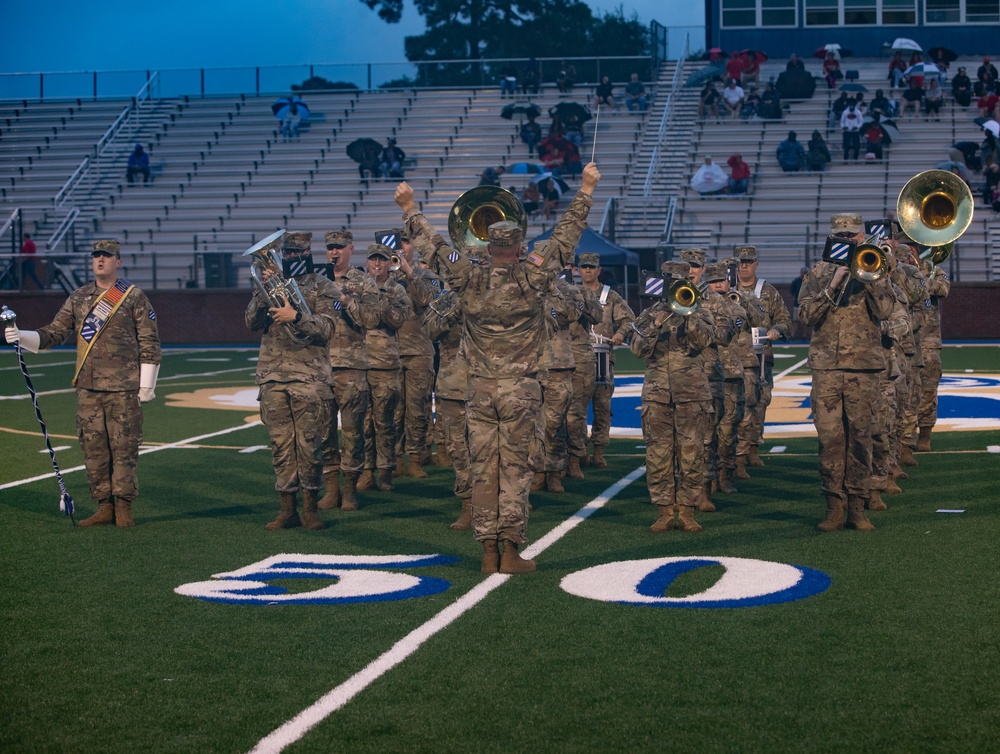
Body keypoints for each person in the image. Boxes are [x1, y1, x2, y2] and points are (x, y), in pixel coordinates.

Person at [395, 162, 602, 574]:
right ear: (520, 245)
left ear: (488, 247)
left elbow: (435, 247)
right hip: (521, 392)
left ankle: (487, 552)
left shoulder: (467, 278)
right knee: (515, 471)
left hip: (480, 390)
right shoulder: (535, 277)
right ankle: (510, 551)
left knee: (483, 470)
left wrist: (409, 208)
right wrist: (586, 189)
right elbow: (564, 238)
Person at [5, 239, 160, 527]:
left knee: (124, 448)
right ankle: (104, 506)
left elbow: (150, 341)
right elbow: (54, 333)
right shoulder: (78, 297)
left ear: (118, 262)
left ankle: (124, 507)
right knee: (94, 449)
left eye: (107, 256)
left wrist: (147, 384)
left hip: (123, 389)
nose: (100, 260)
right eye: (96, 256)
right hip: (88, 389)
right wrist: (21, 335)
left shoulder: (133, 297)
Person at [797, 213, 895, 532]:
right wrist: (834, 282)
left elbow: (885, 311)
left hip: (863, 368)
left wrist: (870, 277)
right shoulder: (818, 273)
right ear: (831, 238)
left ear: (862, 237)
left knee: (860, 438)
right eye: (841, 236)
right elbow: (806, 316)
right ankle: (833, 506)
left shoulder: (875, 267)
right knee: (830, 438)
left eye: (852, 236)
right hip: (826, 367)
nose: (847, 241)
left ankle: (857, 505)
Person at [246, 232, 339, 531]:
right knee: (280, 446)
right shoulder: (268, 286)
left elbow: (327, 328)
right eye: (285, 252)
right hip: (273, 375)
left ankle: (310, 508)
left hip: (309, 376)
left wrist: (295, 316)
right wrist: (263, 292)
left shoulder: (323, 285)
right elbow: (250, 322)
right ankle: (287, 509)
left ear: (308, 252)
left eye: (297, 252)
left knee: (310, 445)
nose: (290, 257)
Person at [630, 260, 717, 533]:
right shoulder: (649, 314)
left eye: (681, 282)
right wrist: (657, 321)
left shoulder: (700, 312)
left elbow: (702, 341)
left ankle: (688, 511)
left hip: (691, 394)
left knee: (692, 455)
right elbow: (637, 349)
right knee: (658, 456)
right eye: (672, 282)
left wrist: (688, 313)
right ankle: (665, 511)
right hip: (657, 394)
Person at [317, 229, 380, 512]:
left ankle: (350, 489)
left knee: (354, 431)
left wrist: (345, 298)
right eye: (331, 247)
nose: (334, 252)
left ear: (351, 249)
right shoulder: (317, 280)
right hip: (320, 366)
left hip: (352, 366)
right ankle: (331, 488)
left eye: (339, 247)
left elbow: (371, 318)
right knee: (324, 431)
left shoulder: (363, 281)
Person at [569, 253, 633, 472]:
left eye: (591, 267)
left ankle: (598, 450)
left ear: (598, 270)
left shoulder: (610, 296)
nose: (587, 270)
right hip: (577, 358)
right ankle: (579, 452)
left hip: (603, 356)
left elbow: (628, 320)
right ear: (577, 270)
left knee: (602, 406)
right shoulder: (571, 294)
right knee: (576, 407)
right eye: (583, 267)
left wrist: (621, 334)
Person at [388, 227, 443, 479]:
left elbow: (428, 300)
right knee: (394, 410)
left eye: (406, 243)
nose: (402, 247)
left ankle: (417, 458)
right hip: (390, 353)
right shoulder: (383, 277)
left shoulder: (427, 275)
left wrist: (408, 273)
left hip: (420, 351)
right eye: (398, 243)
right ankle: (397, 459)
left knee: (418, 408)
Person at [733, 244, 790, 477]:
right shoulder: (727, 289)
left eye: (748, 261)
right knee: (735, 406)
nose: (744, 266)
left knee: (759, 403)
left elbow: (785, 319)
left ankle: (753, 447)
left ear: (756, 264)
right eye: (740, 262)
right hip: (732, 358)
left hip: (761, 358)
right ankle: (735, 455)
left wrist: (776, 329)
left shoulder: (767, 291)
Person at [360, 244, 412, 492]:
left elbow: (398, 321)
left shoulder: (397, 289)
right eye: (373, 260)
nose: (377, 265)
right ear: (367, 262)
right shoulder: (358, 286)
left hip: (386, 365)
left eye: (381, 260)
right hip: (360, 363)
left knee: (385, 422)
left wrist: (379, 298)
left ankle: (387, 471)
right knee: (364, 423)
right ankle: (367, 471)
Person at [789, 265, 809, 340]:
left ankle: (804, 335)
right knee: (795, 320)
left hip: (806, 304)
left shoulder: (809, 281)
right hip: (797, 304)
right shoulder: (796, 281)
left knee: (805, 321)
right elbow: (791, 292)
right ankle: (793, 335)